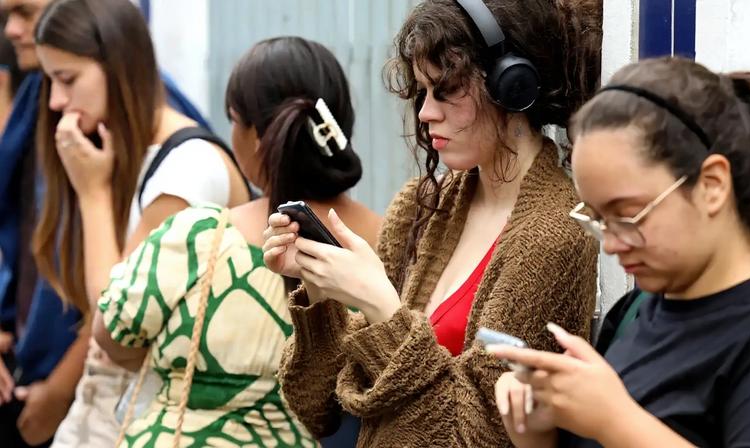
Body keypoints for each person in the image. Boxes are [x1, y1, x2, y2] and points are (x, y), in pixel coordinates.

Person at [263, 0, 602, 445]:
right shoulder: (421, 205)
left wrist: (383, 309)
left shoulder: (556, 234)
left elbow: (481, 437)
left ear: (511, 86)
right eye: (421, 91)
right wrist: (324, 295)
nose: (425, 113)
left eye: (445, 90)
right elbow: (317, 407)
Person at [490, 57, 750, 447]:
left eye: (629, 215)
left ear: (712, 185)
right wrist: (537, 434)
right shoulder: (634, 312)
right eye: (599, 219)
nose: (613, 244)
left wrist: (614, 420)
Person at [93, 36, 381, 447]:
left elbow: (111, 335)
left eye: (233, 119)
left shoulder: (200, 236)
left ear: (257, 137)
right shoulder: (390, 241)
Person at [25, 0, 251, 445]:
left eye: (67, 79)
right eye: (48, 81)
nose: (55, 101)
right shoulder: (123, 152)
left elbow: (117, 322)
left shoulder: (188, 167)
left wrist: (92, 194)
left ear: (118, 66)